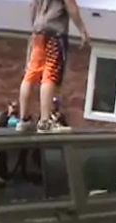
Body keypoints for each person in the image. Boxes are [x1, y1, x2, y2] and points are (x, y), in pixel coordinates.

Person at [17, 0, 89, 132]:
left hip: (38, 29)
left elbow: (33, 5)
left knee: (31, 73)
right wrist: (83, 30)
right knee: (50, 73)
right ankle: (45, 121)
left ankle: (24, 119)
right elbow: (71, 6)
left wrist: (35, 26)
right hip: (54, 30)